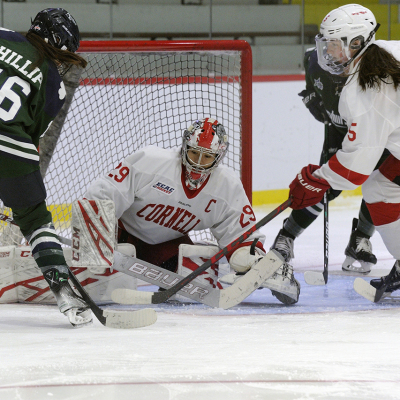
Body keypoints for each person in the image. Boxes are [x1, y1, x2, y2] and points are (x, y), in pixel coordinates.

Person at [85, 117, 301, 305]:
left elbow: (240, 238)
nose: (198, 163)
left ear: (219, 157)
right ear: (184, 147)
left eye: (207, 157)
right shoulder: (150, 162)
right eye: (194, 153)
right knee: (95, 288)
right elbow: (102, 196)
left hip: (164, 249)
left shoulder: (227, 187)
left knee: (195, 288)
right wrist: (94, 241)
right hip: (120, 237)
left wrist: (256, 266)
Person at [287, 3, 400, 296]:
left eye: (335, 45)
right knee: (381, 189)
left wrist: (317, 179)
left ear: (357, 42)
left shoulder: (365, 90)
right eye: (327, 44)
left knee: (379, 188)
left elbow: (354, 168)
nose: (329, 52)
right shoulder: (387, 50)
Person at [0, 8, 92, 326]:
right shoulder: (55, 83)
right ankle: (64, 291)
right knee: (37, 220)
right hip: (13, 146)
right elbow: (29, 136)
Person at [270, 43, 388, 275]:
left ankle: (360, 239)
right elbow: (310, 61)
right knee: (324, 186)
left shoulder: (375, 68)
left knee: (381, 183)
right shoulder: (317, 61)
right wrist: (311, 92)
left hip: (376, 133)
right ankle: (287, 236)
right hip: (340, 131)